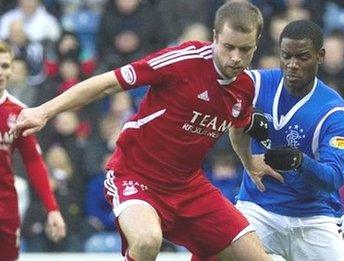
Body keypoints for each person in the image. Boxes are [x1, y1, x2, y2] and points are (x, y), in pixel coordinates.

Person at [11, 2, 280, 260]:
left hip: (189, 186)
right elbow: (106, 84)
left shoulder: (246, 87)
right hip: (135, 176)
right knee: (147, 241)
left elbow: (239, 126)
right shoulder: (183, 61)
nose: (235, 57)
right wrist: (44, 110)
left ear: (256, 44)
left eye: (244, 49)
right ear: (214, 37)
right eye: (228, 47)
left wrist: (249, 162)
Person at [235, 20, 344, 260]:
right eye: (286, 56)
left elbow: (334, 178)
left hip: (314, 215)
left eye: (302, 57)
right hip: (258, 208)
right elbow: (221, 92)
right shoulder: (258, 84)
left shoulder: (336, 113)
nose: (292, 65)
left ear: (320, 56)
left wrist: (300, 161)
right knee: (219, 252)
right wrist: (247, 159)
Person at [0, 41, 66, 260]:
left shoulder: (19, 113)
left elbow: (33, 162)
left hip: (5, 207)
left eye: (5, 66)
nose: (1, 72)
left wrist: (53, 208)